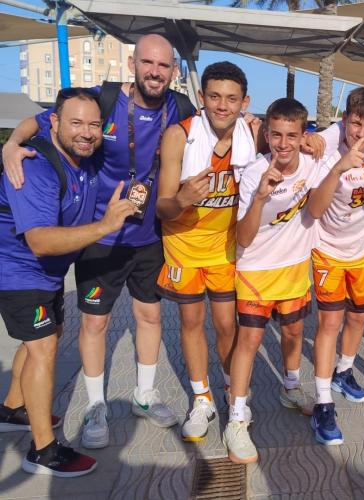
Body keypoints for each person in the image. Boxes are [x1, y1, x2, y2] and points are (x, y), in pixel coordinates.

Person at [2, 34, 195, 448]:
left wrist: (255, 125)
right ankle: (95, 405)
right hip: (99, 234)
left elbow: (219, 129)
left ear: (173, 71)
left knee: (150, 317)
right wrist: (12, 145)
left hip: (149, 234)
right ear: (132, 65)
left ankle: (145, 395)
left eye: (163, 65)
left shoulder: (180, 107)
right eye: (147, 63)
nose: (155, 72)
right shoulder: (102, 101)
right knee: (95, 323)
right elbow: (41, 120)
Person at [0, 88, 136, 476]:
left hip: (48, 273)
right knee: (43, 347)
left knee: (48, 335)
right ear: (56, 122)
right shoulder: (36, 166)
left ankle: (12, 409)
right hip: (19, 270)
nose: (87, 132)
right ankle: (43, 451)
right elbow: (40, 241)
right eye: (76, 123)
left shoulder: (78, 154)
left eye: (94, 125)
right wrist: (106, 226)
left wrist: (10, 139)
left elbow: (32, 121)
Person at [156, 62, 257, 442]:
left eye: (231, 98)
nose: (222, 105)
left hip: (226, 250)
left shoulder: (253, 134)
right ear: (202, 97)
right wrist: (182, 199)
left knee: (228, 325)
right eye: (214, 96)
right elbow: (162, 206)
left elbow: (293, 144)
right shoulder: (178, 136)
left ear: (244, 102)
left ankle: (233, 392)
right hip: (183, 248)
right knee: (191, 322)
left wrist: (315, 141)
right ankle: (202, 399)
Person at [226, 98, 327, 463]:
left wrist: (318, 140)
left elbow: (345, 137)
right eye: (277, 135)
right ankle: (237, 417)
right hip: (255, 268)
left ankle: (291, 387)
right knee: (250, 340)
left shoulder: (313, 162)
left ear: (302, 135)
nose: (284, 144)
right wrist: (260, 198)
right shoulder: (255, 172)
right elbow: (243, 238)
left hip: (295, 264)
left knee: (294, 332)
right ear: (266, 135)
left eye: (292, 135)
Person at [306, 87, 364, 445]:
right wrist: (339, 166)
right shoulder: (328, 152)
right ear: (344, 120)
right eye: (356, 123)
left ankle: (344, 371)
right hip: (328, 250)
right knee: (330, 323)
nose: (361, 133)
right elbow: (314, 209)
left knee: (358, 318)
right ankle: (323, 401)